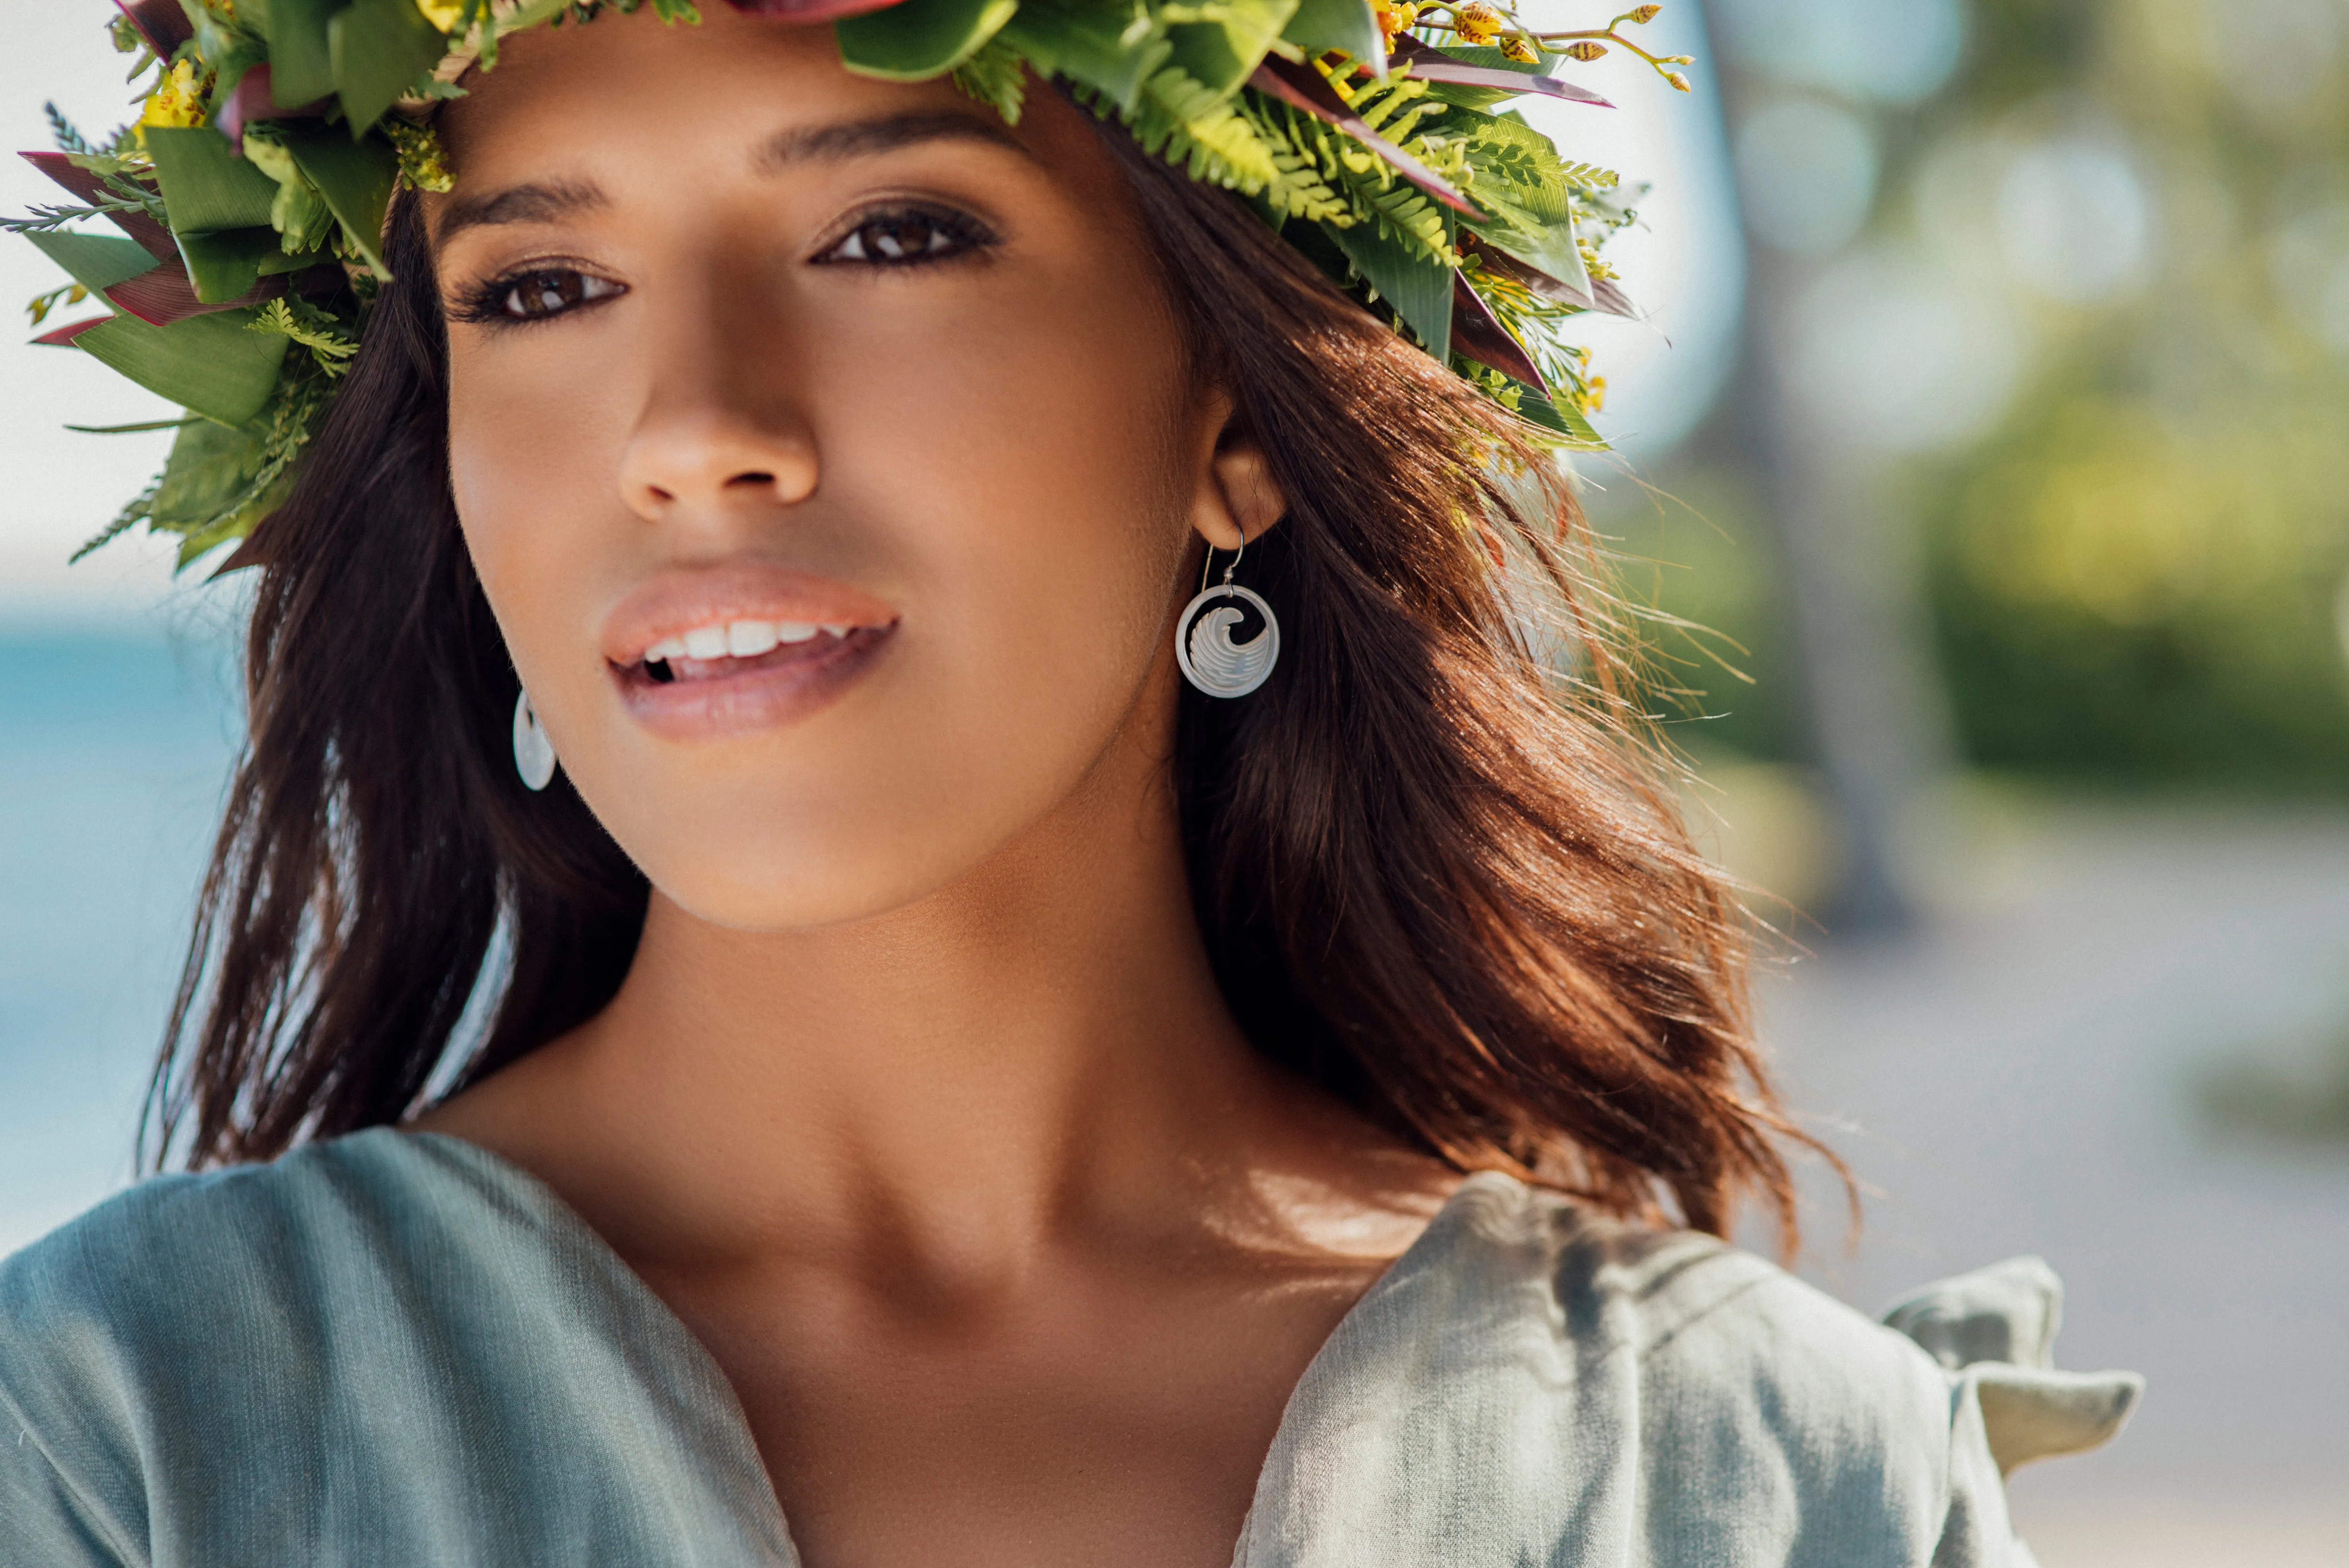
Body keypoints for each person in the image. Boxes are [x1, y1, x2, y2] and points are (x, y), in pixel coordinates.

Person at [0, 1, 2139, 1563]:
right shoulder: (118, 1432)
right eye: (541, 288)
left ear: (1235, 414)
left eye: (895, 236)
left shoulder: (1773, 1471)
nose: (689, 428)